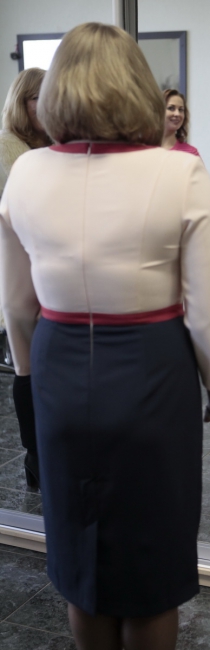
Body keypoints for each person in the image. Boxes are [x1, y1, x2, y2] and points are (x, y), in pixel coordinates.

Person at [0, 22, 210, 650]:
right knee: (151, 567)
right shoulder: (179, 172)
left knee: (80, 561)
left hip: (58, 367)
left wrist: (32, 386)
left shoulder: (27, 171)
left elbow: (16, 305)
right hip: (152, 368)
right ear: (138, 87)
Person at [0, 67, 51, 490]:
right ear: (22, 103)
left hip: (47, 269)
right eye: (38, 98)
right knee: (27, 368)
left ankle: (44, 456)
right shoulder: (6, 149)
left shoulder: (51, 147)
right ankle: (34, 455)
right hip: (18, 267)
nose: (47, 105)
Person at [161, 88, 200, 156]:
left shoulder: (190, 152)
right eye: (171, 108)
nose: (177, 114)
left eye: (181, 110)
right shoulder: (144, 150)